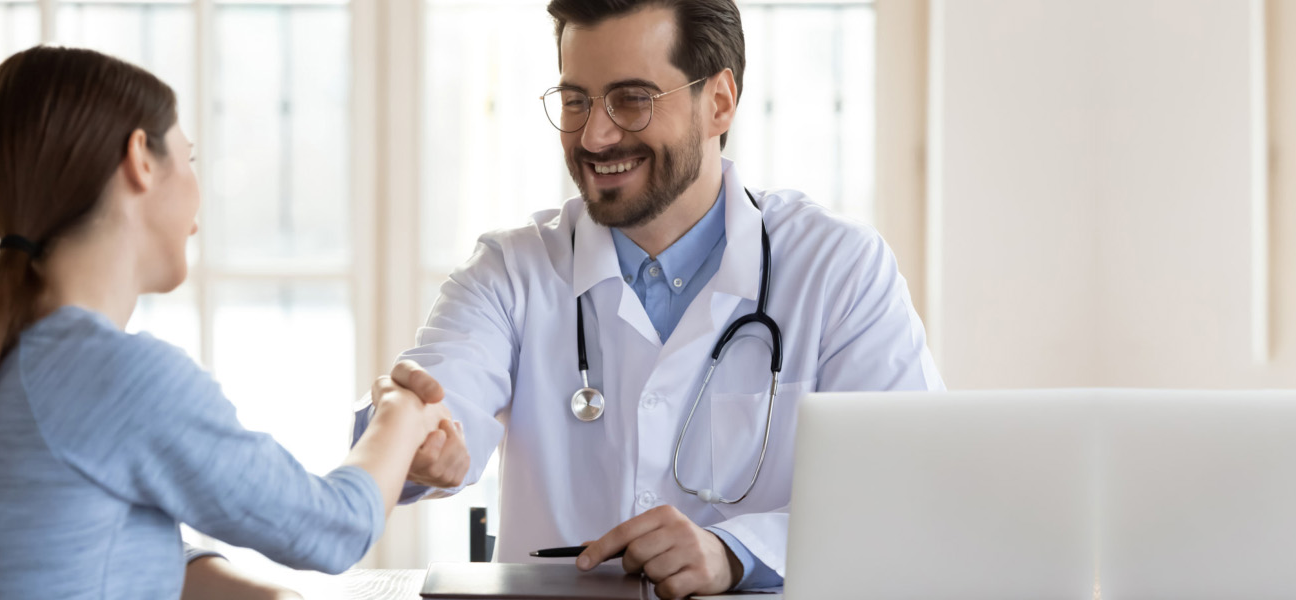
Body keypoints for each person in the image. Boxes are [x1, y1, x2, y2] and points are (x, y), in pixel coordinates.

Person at [356, 1, 944, 598]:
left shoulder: (840, 270)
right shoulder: (510, 273)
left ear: (719, 102)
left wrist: (735, 553)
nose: (595, 135)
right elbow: (434, 402)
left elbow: (913, 493)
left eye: (631, 100)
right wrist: (414, 440)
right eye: (576, 100)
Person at [0, 46, 455, 600]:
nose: (199, 192)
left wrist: (256, 594)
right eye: (190, 158)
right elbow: (332, 528)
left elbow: (97, 537)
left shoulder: (7, 363)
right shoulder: (113, 375)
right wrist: (402, 411)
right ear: (141, 160)